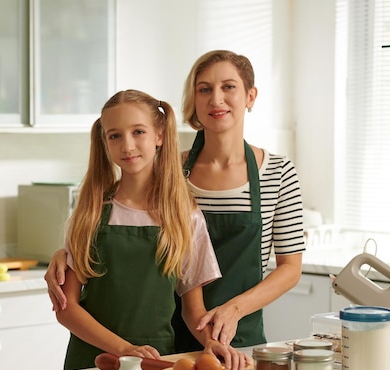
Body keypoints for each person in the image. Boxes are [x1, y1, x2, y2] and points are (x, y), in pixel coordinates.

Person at [46, 50, 305, 353]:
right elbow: (119, 215)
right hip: (165, 337)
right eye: (204, 89)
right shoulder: (169, 174)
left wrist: (233, 311)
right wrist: (65, 253)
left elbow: (290, 267)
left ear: (250, 96)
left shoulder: (277, 172)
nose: (216, 99)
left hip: (229, 331)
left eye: (228, 87)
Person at [54, 89, 248, 370]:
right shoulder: (90, 213)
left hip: (156, 363)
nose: (127, 145)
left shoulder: (183, 216)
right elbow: (66, 309)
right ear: (105, 143)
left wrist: (211, 342)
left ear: (159, 136)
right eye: (115, 135)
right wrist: (124, 350)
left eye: (138, 132)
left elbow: (193, 311)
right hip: (90, 365)